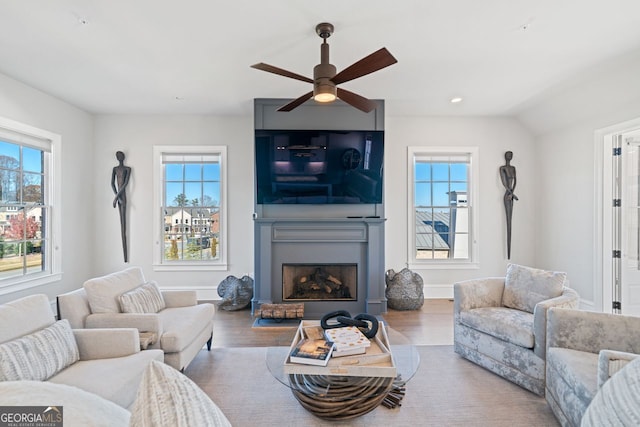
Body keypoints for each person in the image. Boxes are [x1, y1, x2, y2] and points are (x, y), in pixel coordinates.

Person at [111, 151, 131, 262]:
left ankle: (125, 257)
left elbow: (125, 183)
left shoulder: (128, 169)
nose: (119, 158)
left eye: (121, 156)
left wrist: (116, 197)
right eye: (117, 156)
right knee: (121, 224)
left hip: (123, 197)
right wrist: (117, 198)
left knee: (124, 226)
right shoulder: (114, 169)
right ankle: (125, 258)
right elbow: (112, 184)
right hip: (119, 197)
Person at [500, 151, 518, 259]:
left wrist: (513, 193)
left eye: (511, 156)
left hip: (511, 194)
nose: (510, 157)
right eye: (508, 155)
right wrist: (511, 194)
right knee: (508, 219)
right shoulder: (502, 168)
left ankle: (509, 254)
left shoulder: (513, 168)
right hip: (507, 195)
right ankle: (508, 254)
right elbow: (504, 183)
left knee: (510, 220)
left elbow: (515, 181)